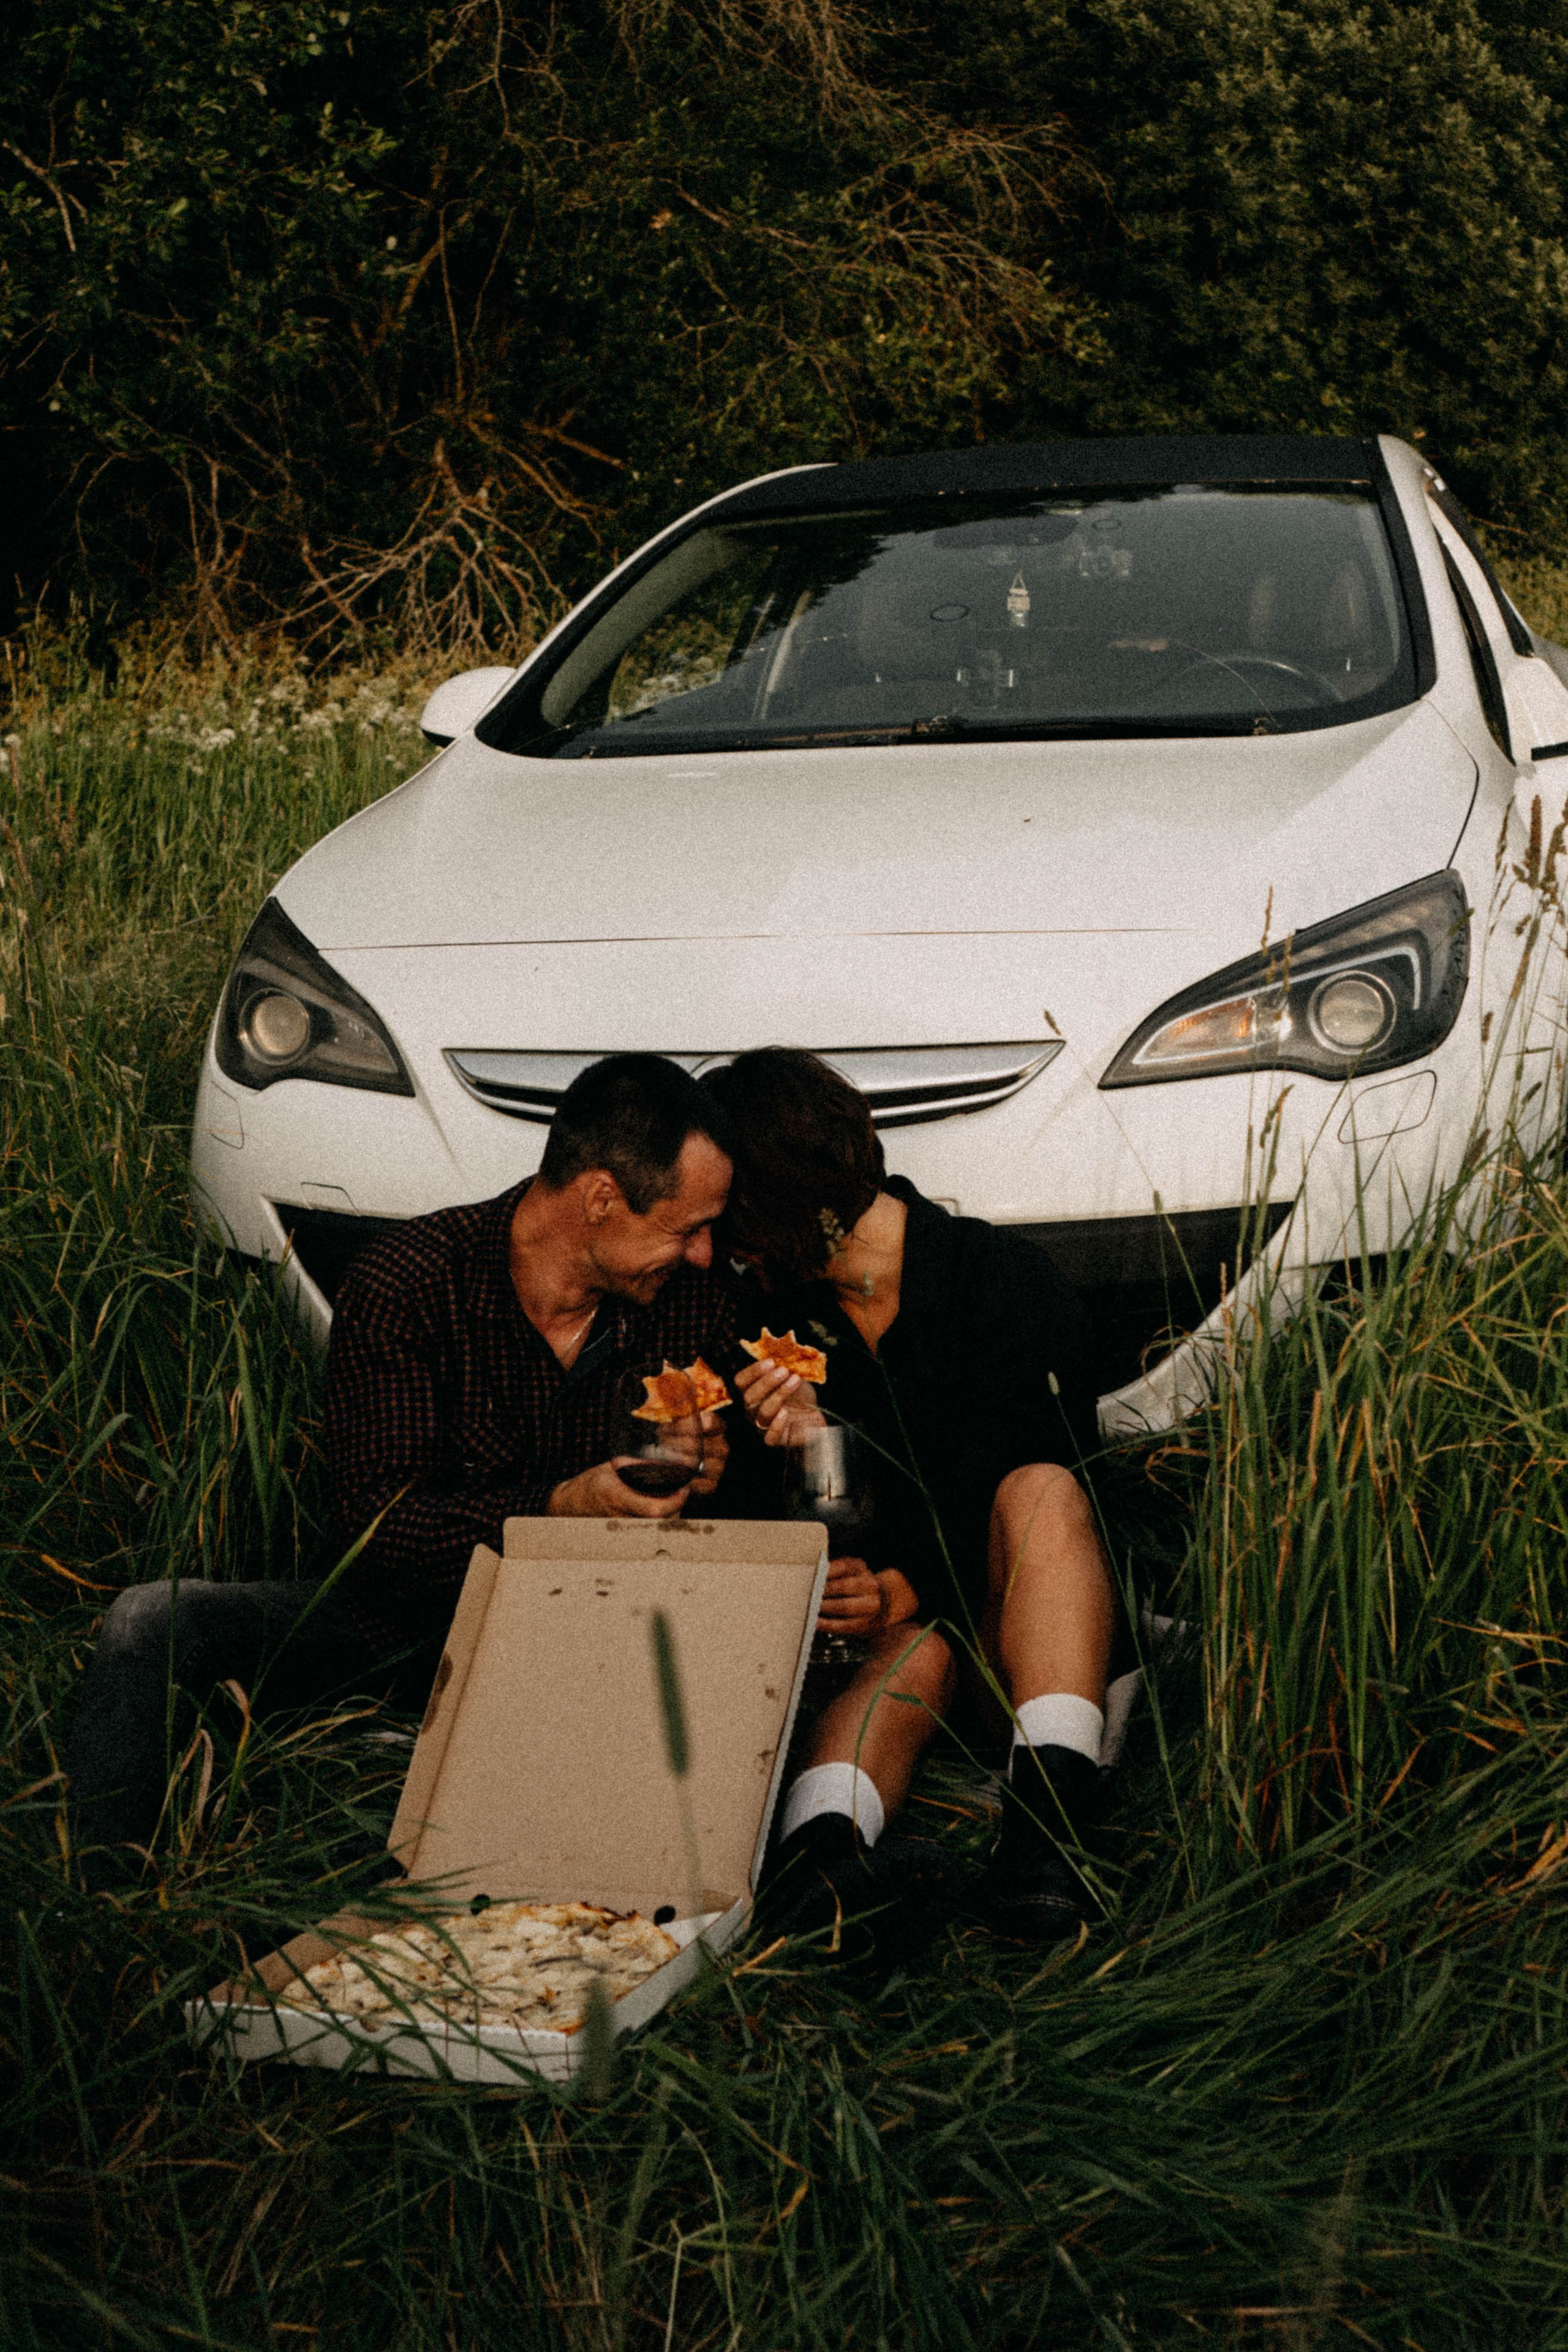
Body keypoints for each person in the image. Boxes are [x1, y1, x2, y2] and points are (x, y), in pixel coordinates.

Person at [65, 1054, 739, 1885]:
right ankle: (105, 1904)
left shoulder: (685, 1302)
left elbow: (721, 1505)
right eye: (685, 1228)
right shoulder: (411, 1282)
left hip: (581, 1639)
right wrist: (559, 1507)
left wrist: (713, 1467)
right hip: (399, 1625)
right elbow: (380, 1531)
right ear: (601, 1198)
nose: (703, 1253)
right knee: (152, 1620)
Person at [701, 1046, 1123, 1945]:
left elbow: (1058, 1495)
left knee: (1040, 1491)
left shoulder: (1004, 1281)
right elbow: (797, 1529)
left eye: (730, 1215)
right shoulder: (770, 1329)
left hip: (1031, 1639)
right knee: (913, 1651)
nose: (715, 1247)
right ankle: (820, 1863)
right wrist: (813, 1449)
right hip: (900, 1652)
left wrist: (912, 1583)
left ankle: (1047, 1840)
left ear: (779, 1202)